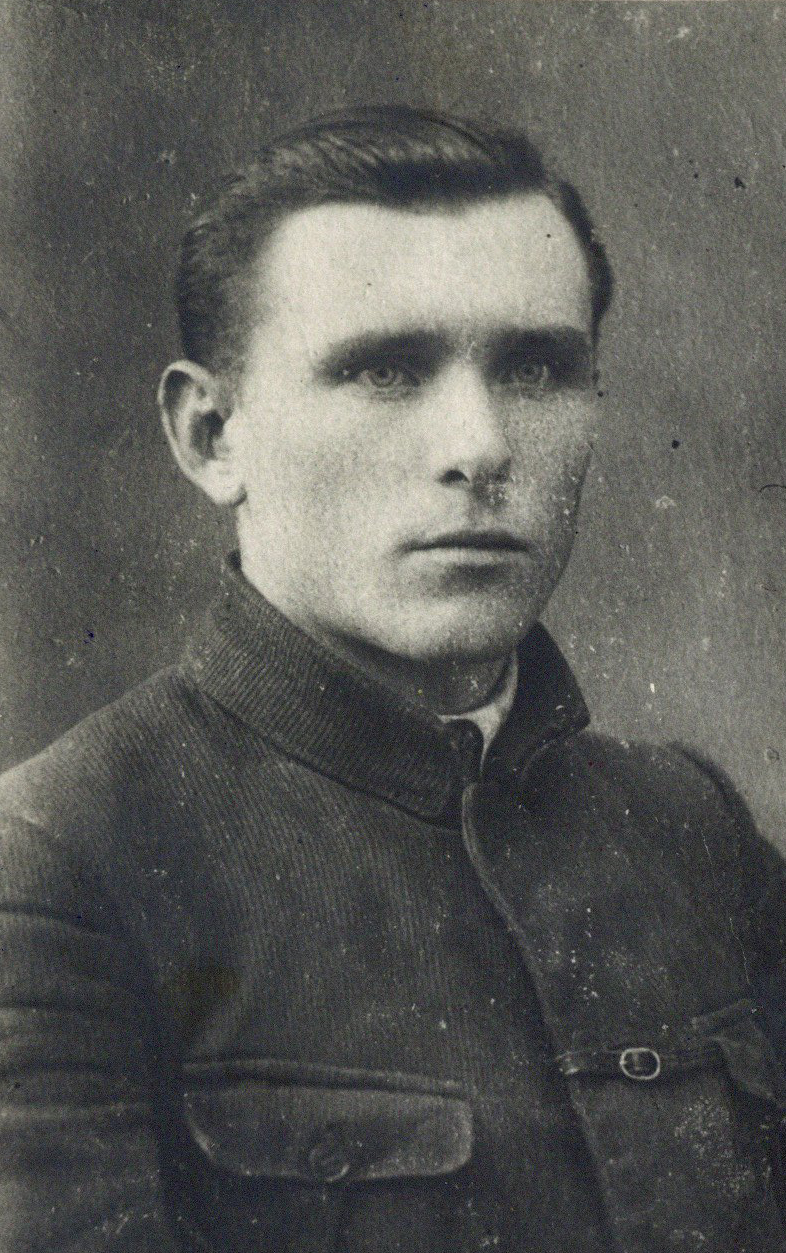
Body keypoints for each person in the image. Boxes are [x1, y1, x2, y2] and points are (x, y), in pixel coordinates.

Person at [0, 105, 784, 1253]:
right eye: (384, 370)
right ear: (211, 434)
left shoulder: (688, 826)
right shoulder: (57, 868)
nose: (479, 446)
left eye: (536, 367)